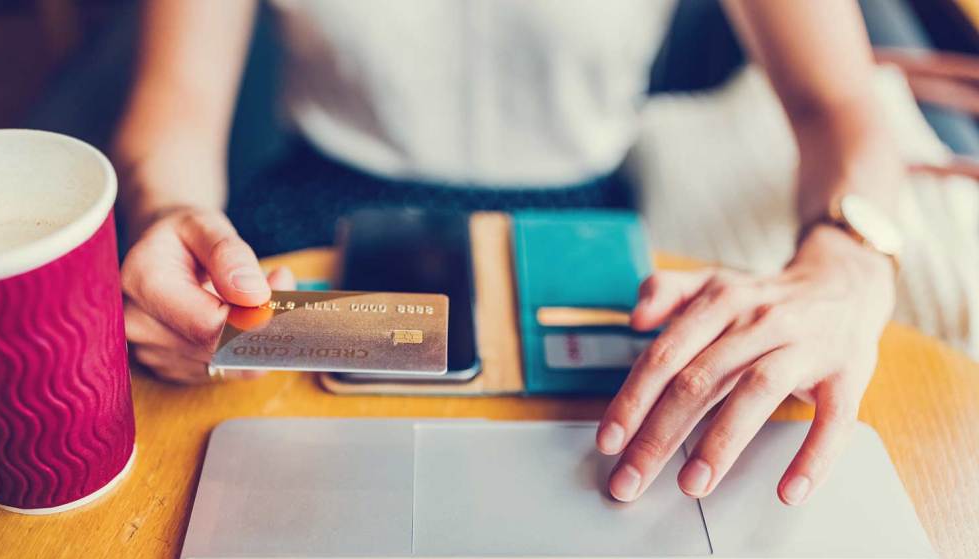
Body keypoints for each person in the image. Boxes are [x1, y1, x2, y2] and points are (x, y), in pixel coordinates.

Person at [113, 0, 903, 507]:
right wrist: (173, 215)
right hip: (312, 223)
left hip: (575, 228)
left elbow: (840, 103)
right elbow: (176, 101)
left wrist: (849, 264)